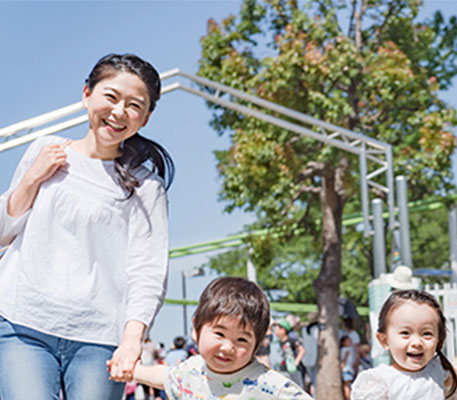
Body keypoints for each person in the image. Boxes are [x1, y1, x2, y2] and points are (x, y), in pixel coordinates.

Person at [0, 53, 174, 400]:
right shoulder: (45, 151)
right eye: (111, 96)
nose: (119, 111)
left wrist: (132, 339)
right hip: (22, 322)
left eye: (134, 105)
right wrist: (32, 180)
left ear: (146, 117)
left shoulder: (145, 186)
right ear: (86, 94)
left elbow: (148, 270)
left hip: (99, 338)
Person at [122, 277, 312, 400]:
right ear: (196, 328)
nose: (228, 347)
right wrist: (131, 370)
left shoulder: (268, 385)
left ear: (257, 345)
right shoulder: (191, 370)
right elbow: (163, 377)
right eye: (220, 334)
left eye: (242, 340)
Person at [351, 290, 457, 400]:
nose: (417, 343)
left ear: (438, 339)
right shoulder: (379, 381)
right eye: (405, 333)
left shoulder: (435, 370)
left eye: (426, 334)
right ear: (384, 340)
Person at [275, 318, 305, 388]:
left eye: (277, 328)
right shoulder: (280, 342)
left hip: (294, 369)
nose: (275, 331)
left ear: (283, 330)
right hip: (284, 368)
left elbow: (302, 350)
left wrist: (296, 361)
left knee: (298, 387)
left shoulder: (291, 340)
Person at [301, 312, 320, 395]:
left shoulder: (305, 329)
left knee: (312, 381)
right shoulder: (316, 329)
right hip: (315, 358)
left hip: (306, 358)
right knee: (316, 381)